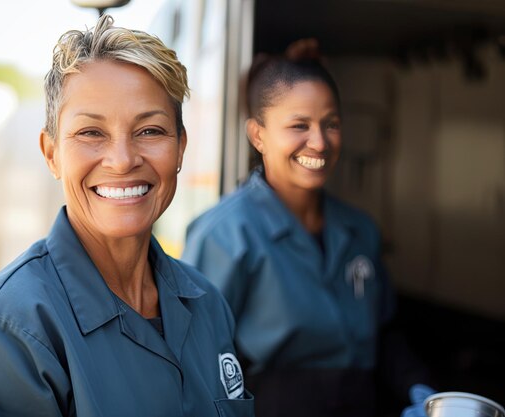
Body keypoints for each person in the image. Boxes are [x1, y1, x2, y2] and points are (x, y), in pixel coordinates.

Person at [0, 15, 254, 417]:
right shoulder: (7, 329)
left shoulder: (208, 306)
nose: (122, 160)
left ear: (180, 148)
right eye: (91, 133)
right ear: (51, 153)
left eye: (149, 131)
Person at [181, 40, 430, 417]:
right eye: (299, 125)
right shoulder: (223, 235)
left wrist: (420, 391)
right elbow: (194, 365)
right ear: (258, 135)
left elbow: (385, 335)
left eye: (331, 124)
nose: (319, 141)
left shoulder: (359, 230)